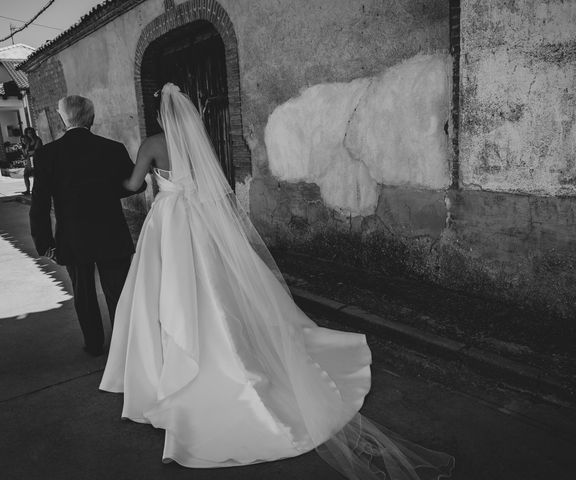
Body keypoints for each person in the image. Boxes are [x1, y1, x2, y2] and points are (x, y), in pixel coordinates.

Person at [100, 83, 454, 479]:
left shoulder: (152, 143)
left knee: (164, 293)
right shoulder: (197, 142)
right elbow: (211, 187)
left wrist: (115, 181)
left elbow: (132, 186)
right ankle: (220, 350)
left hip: (167, 222)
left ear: (162, 114)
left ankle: (168, 368)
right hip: (198, 224)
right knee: (212, 288)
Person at [29, 95, 146, 356]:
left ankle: (93, 344)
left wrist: (45, 243)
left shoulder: (47, 154)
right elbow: (138, 184)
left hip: (73, 236)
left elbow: (39, 204)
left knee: (83, 293)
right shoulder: (112, 148)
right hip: (111, 232)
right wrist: (107, 191)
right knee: (118, 291)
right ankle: (122, 347)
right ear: (91, 118)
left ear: (63, 119)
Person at [22, 127, 43, 195]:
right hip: (29, 162)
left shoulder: (38, 140)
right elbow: (26, 152)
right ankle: (28, 190)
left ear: (33, 132)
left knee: (36, 176)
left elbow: (36, 150)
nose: (29, 134)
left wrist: (29, 152)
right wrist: (25, 150)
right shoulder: (28, 142)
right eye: (28, 133)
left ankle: (37, 190)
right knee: (25, 175)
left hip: (36, 160)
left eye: (31, 132)